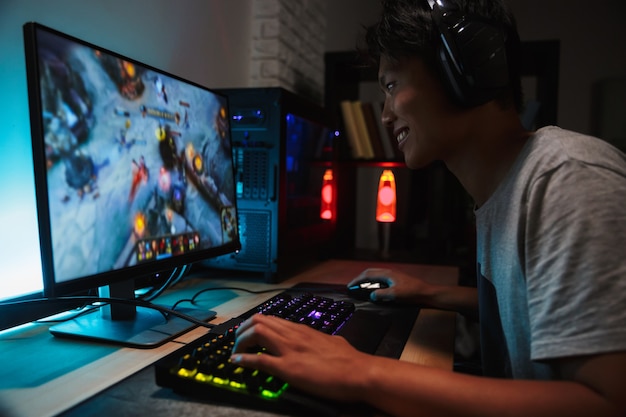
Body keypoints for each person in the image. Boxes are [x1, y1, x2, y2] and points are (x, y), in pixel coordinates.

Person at [231, 0, 626, 415]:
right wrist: (434, 293)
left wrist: (360, 372)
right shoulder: (510, 187)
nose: (384, 115)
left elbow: (610, 401)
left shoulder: (567, 180)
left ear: (463, 73)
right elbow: (534, 305)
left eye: (390, 85)